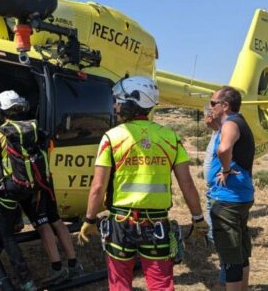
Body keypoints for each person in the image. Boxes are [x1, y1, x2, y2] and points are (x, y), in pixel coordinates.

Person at [78, 76, 209, 290]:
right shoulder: (170, 137)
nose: (115, 106)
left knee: (120, 283)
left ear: (131, 103)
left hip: (120, 223)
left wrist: (90, 219)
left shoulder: (111, 137)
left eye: (119, 101)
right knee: (160, 284)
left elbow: (98, 187)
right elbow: (187, 185)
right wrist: (198, 218)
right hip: (156, 224)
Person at [0, 90, 82, 290]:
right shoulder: (34, 126)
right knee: (48, 223)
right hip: (37, 187)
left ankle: (27, 281)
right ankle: (69, 266)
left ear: (1, 110)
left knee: (7, 236)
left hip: (11, 189)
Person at [207, 86, 255, 291]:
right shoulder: (238, 123)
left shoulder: (231, 124)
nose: (210, 107)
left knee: (230, 258)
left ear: (225, 105)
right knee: (241, 254)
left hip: (228, 199)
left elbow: (224, 148)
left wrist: (225, 170)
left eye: (212, 103)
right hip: (240, 197)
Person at [202, 103, 227, 287]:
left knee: (219, 236)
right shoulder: (218, 132)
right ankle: (226, 275)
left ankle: (226, 278)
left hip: (219, 193)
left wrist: (226, 171)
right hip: (213, 190)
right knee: (215, 235)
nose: (206, 116)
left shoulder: (226, 131)